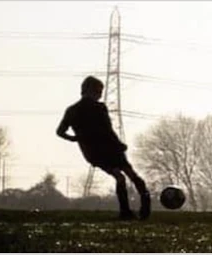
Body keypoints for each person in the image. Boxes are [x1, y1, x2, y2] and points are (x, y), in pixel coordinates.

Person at [57, 76, 151, 220]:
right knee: (130, 174)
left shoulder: (72, 110)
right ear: (90, 90)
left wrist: (75, 139)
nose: (100, 94)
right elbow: (108, 130)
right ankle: (144, 204)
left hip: (92, 153)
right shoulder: (99, 108)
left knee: (119, 177)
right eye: (98, 91)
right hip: (108, 148)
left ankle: (126, 211)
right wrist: (119, 145)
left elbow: (60, 132)